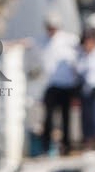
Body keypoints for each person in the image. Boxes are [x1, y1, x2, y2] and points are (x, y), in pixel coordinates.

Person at [33, 14, 81, 155]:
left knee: (66, 117)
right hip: (51, 85)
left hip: (67, 85)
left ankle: (66, 147)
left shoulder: (69, 39)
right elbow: (30, 44)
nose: (51, 30)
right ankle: (46, 147)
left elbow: (81, 53)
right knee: (48, 117)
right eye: (49, 27)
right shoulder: (42, 40)